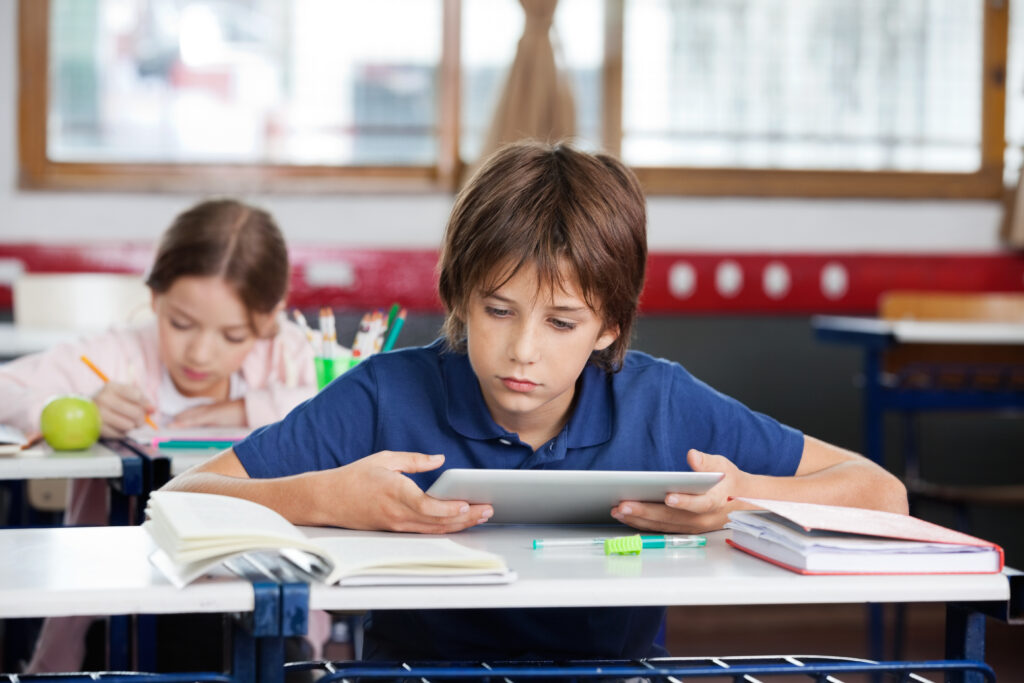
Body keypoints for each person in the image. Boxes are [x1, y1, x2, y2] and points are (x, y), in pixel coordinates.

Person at [163, 142, 908, 662]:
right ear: (456, 295)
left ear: (609, 324)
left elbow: (883, 493)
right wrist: (326, 496)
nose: (524, 349)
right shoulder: (387, 392)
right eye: (498, 311)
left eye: (561, 323)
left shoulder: (659, 402)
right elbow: (186, 495)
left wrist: (742, 498)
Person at [0, 198, 319, 672]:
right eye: (181, 323)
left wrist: (245, 407)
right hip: (119, 605)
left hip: (257, 599)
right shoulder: (120, 354)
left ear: (270, 320)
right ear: (154, 299)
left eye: (232, 336)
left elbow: (333, 409)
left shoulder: (287, 354)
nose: (201, 352)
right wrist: (71, 409)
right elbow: (8, 386)